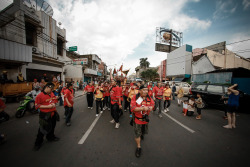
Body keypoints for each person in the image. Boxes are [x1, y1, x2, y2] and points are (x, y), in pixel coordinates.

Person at [33, 83, 60, 151]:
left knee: (52, 126)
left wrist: (54, 102)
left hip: (53, 113)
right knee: (42, 129)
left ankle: (50, 137)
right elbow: (36, 106)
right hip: (45, 115)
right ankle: (38, 143)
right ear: (47, 87)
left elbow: (54, 100)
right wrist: (47, 106)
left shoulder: (51, 94)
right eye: (51, 89)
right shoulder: (39, 96)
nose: (52, 90)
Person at [130, 85, 154, 158]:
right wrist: (143, 109)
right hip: (138, 119)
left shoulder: (149, 98)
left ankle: (141, 134)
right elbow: (133, 108)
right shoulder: (136, 98)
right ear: (139, 91)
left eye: (147, 90)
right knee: (137, 134)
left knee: (143, 132)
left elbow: (153, 105)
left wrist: (150, 108)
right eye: (144, 90)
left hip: (145, 120)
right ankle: (138, 147)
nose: (146, 91)